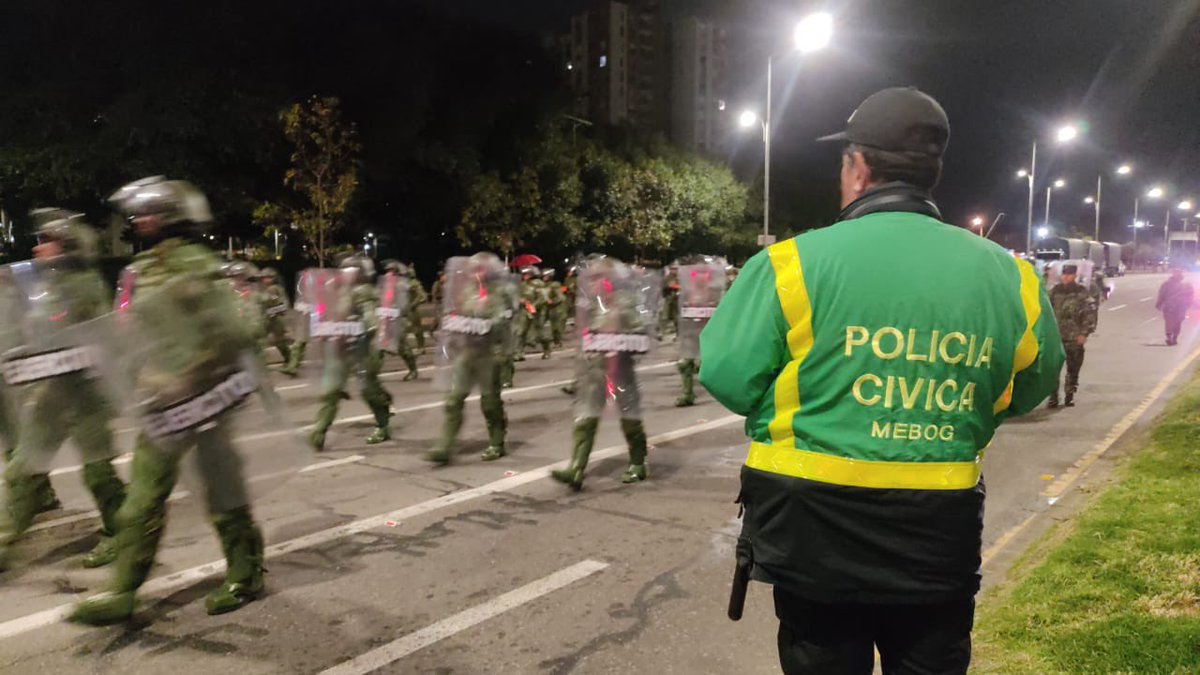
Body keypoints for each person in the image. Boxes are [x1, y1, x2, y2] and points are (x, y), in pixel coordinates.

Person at [699, 87, 1064, 675]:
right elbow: (1027, 385)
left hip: (813, 535)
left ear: (858, 167)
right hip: (937, 533)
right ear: (932, 173)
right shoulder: (1012, 277)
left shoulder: (791, 264)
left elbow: (727, 375)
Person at [71, 177, 267, 623]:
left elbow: (239, 331)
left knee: (223, 493)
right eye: (138, 214)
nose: (140, 221)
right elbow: (126, 329)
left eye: (150, 213)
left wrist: (204, 348)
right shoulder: (138, 271)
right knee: (141, 498)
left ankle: (245, 573)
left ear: (172, 218)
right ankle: (123, 589)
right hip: (160, 400)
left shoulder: (200, 266)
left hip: (205, 398)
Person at [0, 209, 126, 570]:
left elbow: (100, 339)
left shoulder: (84, 287)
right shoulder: (44, 287)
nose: (39, 248)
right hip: (51, 394)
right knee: (23, 468)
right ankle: (8, 539)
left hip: (86, 395)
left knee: (98, 473)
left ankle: (120, 532)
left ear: (66, 247)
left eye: (47, 242)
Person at [552, 256, 652, 490]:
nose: (592, 282)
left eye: (597, 278)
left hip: (621, 372)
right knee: (585, 419)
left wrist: (619, 337)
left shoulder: (626, 304)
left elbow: (642, 336)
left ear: (610, 280)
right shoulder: (594, 305)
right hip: (595, 371)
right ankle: (576, 468)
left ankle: (638, 462)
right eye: (591, 278)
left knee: (630, 419)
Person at [425, 253, 514, 465]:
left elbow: (506, 320)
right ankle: (445, 445)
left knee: (490, 403)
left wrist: (493, 324)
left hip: (488, 353)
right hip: (467, 352)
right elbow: (457, 313)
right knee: (453, 400)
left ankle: (496, 442)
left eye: (481, 269)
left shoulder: (501, 293)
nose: (476, 273)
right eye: (474, 270)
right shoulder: (467, 291)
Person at [305, 255, 393, 450]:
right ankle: (319, 431)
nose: (348, 273)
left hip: (361, 347)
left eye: (353, 270)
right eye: (345, 269)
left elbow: (371, 319)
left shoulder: (365, 292)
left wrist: (362, 328)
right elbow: (325, 312)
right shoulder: (335, 289)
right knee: (330, 391)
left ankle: (383, 424)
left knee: (367, 390)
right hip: (339, 348)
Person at [675, 256, 726, 407]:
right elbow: (679, 311)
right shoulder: (686, 293)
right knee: (684, 363)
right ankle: (687, 394)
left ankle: (721, 391)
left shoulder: (716, 293)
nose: (700, 277)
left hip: (709, 333)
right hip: (690, 331)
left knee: (705, 364)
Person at [1048, 264, 1097, 408]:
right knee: (1053, 369)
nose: (1065, 277)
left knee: (1073, 368)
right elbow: (1045, 311)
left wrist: (1084, 333)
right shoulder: (1054, 292)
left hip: (1074, 337)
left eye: (1069, 275)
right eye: (1064, 275)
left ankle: (1069, 395)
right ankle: (1053, 397)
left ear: (1074, 276)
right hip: (1056, 337)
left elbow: (1089, 314)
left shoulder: (1081, 293)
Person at [381, 260, 419, 381]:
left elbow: (406, 301)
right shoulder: (386, 285)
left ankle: (413, 370)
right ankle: (371, 373)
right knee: (379, 345)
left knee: (403, 346)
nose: (388, 273)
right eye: (387, 271)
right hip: (386, 317)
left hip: (399, 319)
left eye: (391, 271)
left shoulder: (402, 285)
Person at [258, 267, 293, 368]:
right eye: (264, 278)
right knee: (260, 341)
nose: (266, 280)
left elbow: (283, 304)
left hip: (276, 319)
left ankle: (289, 359)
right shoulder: (262, 290)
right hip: (266, 318)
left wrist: (272, 310)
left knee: (280, 342)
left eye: (269, 278)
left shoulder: (276, 289)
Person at [1156, 266, 1194, 346]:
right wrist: (1159, 303)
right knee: (1169, 322)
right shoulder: (1167, 284)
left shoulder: (1186, 284)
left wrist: (1189, 303)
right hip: (1170, 306)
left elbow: (1190, 295)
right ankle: (1169, 337)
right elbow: (1162, 294)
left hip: (1181, 306)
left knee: (1177, 322)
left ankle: (1174, 337)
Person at [405, 265, 428, 354]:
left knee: (417, 330)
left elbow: (423, 296)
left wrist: (414, 304)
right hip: (403, 309)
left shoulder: (414, 283)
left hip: (411, 310)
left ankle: (421, 347)